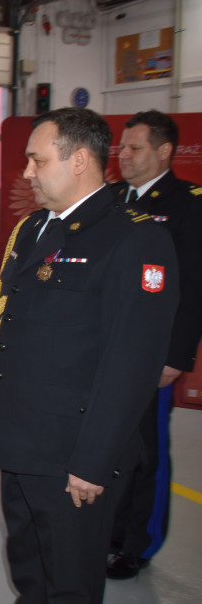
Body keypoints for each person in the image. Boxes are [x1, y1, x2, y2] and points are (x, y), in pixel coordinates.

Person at [0, 107, 179, 604]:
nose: (27, 172)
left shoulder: (135, 238)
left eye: (36, 160)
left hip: (74, 454)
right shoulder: (33, 230)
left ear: (79, 161)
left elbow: (131, 363)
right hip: (21, 440)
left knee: (69, 584)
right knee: (30, 571)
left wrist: (93, 462)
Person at [106, 110, 202, 579]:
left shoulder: (188, 204)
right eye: (121, 148)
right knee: (108, 443)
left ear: (165, 152)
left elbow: (194, 287)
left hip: (153, 354)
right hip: (108, 349)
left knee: (145, 451)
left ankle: (138, 543)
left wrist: (175, 356)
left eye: (135, 148)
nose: (123, 156)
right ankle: (109, 529)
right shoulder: (112, 200)